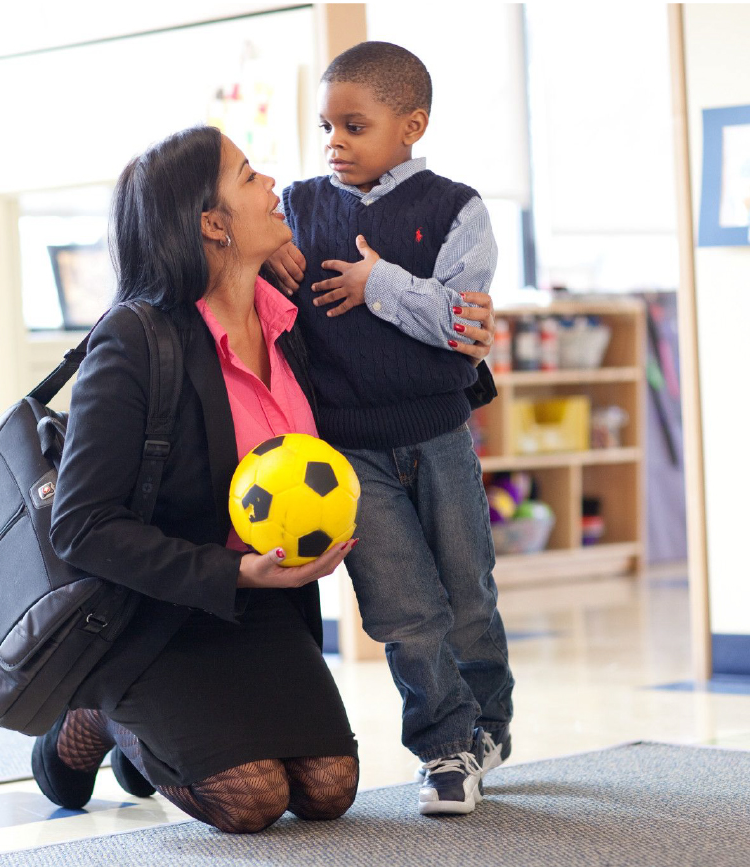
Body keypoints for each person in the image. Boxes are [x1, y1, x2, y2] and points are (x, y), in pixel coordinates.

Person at [32, 125, 362, 835]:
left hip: (263, 608)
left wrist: (466, 330)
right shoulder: (133, 337)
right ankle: (95, 713)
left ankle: (160, 738)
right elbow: (81, 524)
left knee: (327, 789)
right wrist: (234, 569)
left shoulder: (284, 319)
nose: (271, 184)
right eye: (248, 177)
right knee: (252, 800)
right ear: (212, 223)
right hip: (157, 616)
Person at [265, 41, 515, 816]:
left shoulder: (457, 209)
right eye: (325, 126)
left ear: (410, 125)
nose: (334, 141)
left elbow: (458, 323)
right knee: (403, 609)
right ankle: (444, 745)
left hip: (439, 436)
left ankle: (488, 722)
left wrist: (380, 284)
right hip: (345, 452)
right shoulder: (300, 208)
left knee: (466, 594)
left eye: (354, 125)